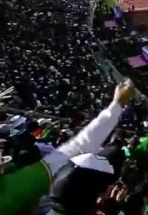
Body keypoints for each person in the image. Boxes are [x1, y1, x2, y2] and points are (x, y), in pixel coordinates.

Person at [0, 81, 135, 214]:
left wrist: (116, 106)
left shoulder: (18, 183)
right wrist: (117, 105)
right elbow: (79, 146)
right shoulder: (17, 186)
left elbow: (79, 146)